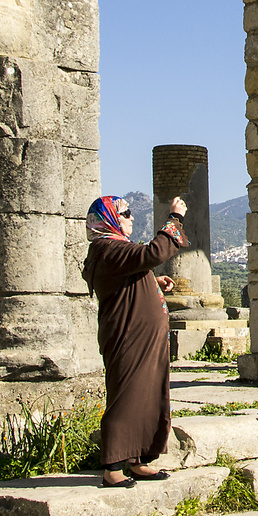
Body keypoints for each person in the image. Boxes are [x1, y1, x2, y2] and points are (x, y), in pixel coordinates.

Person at [81, 193, 189, 488]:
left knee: (147, 393)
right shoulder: (107, 248)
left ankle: (136, 459)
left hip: (141, 337)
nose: (131, 217)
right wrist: (174, 219)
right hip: (129, 336)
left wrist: (151, 281)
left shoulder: (113, 249)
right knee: (127, 395)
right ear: (109, 219)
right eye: (125, 213)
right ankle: (112, 467)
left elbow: (129, 275)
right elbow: (152, 254)